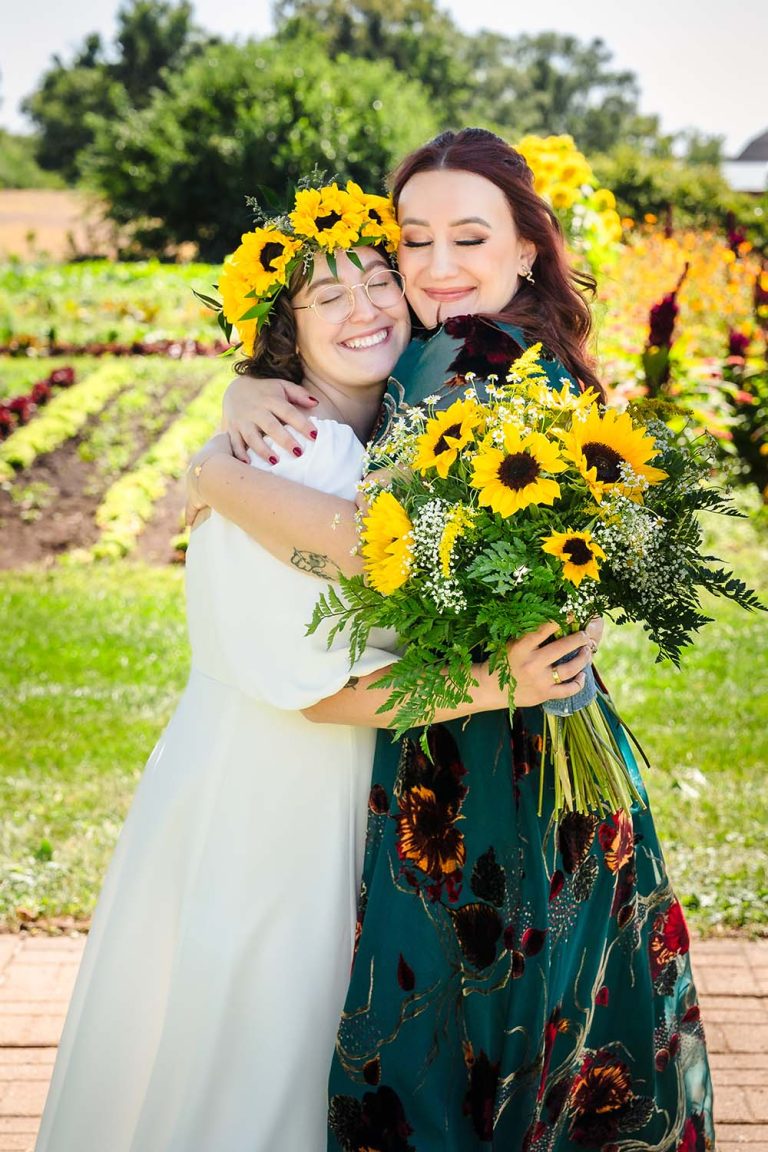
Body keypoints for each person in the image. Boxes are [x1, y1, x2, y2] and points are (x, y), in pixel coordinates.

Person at [189, 130, 714, 1151]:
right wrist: (242, 391)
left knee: (468, 1051)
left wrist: (216, 476)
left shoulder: (481, 357)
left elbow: (386, 551)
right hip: (514, 739)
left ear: (526, 249)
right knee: (534, 1046)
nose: (433, 267)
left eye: (468, 237)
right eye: (413, 239)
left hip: (498, 770)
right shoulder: (480, 350)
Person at [38, 182, 563, 1152]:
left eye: (378, 280)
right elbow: (326, 696)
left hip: (357, 810)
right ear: (285, 337)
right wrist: (515, 682)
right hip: (275, 814)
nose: (365, 307)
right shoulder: (285, 457)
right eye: (328, 298)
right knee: (265, 1063)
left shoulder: (392, 439)